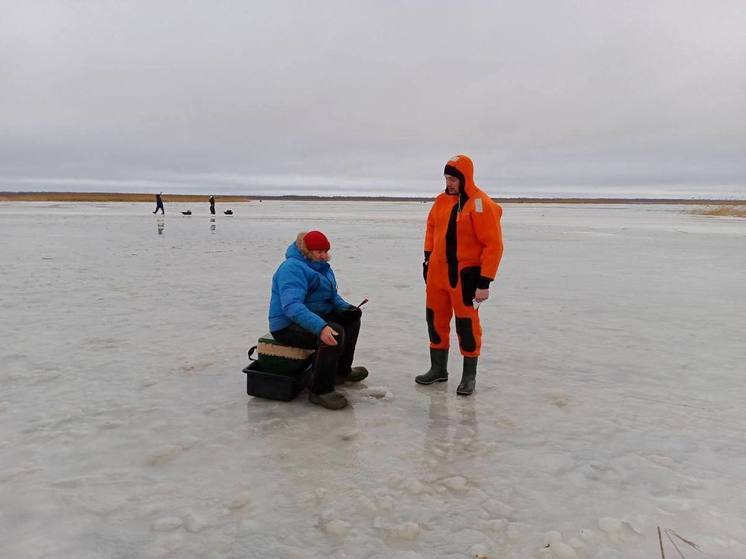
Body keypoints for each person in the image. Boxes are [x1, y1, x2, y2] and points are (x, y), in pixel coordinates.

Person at [415, 154, 503, 395]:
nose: (449, 183)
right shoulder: (441, 201)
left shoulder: (479, 203)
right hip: (436, 276)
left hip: (465, 278)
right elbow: (431, 229)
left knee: (466, 326)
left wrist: (484, 281)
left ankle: (468, 377)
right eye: (447, 178)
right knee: (435, 321)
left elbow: (493, 246)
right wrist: (427, 258)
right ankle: (438, 369)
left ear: (466, 178)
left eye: (454, 178)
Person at [268, 231, 368, 410]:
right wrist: (321, 327)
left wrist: (347, 309)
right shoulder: (292, 268)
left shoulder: (322, 267)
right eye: (318, 251)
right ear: (307, 250)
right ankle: (319, 390)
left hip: (312, 315)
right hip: (286, 325)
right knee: (333, 333)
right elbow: (291, 306)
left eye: (325, 251)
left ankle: (341, 372)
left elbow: (331, 296)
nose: (323, 255)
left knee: (351, 321)